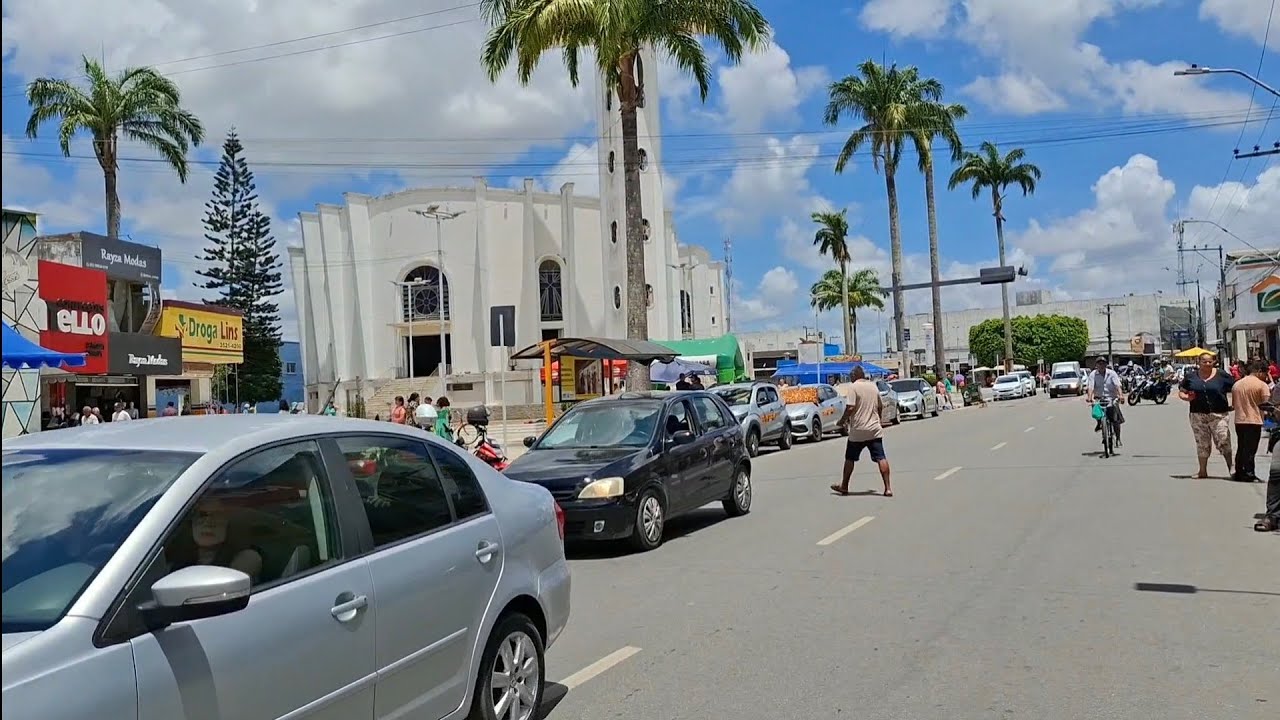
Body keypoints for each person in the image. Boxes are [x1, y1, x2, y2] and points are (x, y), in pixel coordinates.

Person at [832, 366, 892, 497]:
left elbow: (850, 407)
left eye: (851, 375)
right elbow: (880, 406)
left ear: (855, 375)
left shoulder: (854, 387)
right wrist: (879, 421)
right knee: (881, 457)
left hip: (858, 430)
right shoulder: (873, 387)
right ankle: (888, 488)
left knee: (849, 458)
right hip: (874, 429)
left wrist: (842, 421)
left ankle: (844, 486)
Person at [1179, 351, 1234, 479]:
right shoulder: (1191, 376)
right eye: (1204, 361)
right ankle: (1202, 471)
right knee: (1202, 443)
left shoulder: (1221, 375)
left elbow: (1235, 388)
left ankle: (1231, 468)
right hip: (1198, 415)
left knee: (1223, 439)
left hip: (1219, 414)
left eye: (1210, 361)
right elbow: (1182, 392)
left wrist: (1235, 404)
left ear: (1214, 362)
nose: (1208, 364)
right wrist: (1187, 398)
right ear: (1199, 363)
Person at [1230, 359, 1270, 482]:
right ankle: (1249, 473)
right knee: (1251, 449)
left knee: (1241, 447)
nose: (1266, 377)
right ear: (1259, 372)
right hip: (1254, 420)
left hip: (1239, 420)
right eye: (1265, 374)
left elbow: (1234, 404)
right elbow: (1266, 404)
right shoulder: (1261, 385)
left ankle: (1239, 472)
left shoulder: (1237, 384)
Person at [1085, 356, 1125, 444]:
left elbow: (1118, 385)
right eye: (1099, 364)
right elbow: (1090, 387)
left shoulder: (1112, 373)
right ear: (1096, 365)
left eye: (1103, 363)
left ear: (1106, 365)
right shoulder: (1093, 374)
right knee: (1095, 410)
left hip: (1111, 398)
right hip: (1099, 398)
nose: (1101, 365)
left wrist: (1121, 396)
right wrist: (1089, 397)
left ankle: (1118, 438)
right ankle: (1100, 423)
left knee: (1115, 420)